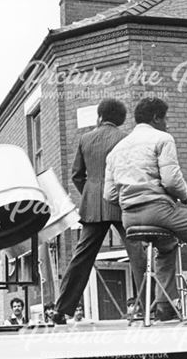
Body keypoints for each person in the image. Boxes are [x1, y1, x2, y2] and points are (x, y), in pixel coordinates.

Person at [104, 97, 187, 321]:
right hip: (159, 211)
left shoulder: (115, 150)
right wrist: (185, 198)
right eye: (165, 118)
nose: (167, 123)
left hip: (129, 218)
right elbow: (172, 181)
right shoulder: (163, 138)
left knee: (166, 246)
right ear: (156, 118)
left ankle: (164, 307)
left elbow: (109, 195)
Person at [53, 99, 145, 325]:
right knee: (137, 252)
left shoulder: (85, 139)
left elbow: (77, 175)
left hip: (93, 204)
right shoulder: (126, 139)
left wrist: (92, 193)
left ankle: (61, 309)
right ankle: (148, 306)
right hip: (121, 203)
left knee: (81, 257)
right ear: (121, 119)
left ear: (100, 116)